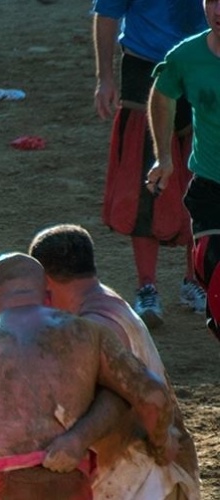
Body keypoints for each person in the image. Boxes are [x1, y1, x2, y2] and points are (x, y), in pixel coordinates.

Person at [0, 253, 176, 499]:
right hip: (65, 479)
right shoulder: (88, 333)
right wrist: (163, 444)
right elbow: (153, 397)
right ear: (47, 296)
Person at [29, 224, 200, 498]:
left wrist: (159, 441)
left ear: (44, 280)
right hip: (149, 481)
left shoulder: (93, 326)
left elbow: (129, 396)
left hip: (143, 483)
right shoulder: (108, 302)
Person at [93, 0, 207, 329]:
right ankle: (147, 287)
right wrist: (105, 77)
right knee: (143, 183)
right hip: (144, 69)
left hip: (200, 65)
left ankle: (195, 280)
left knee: (201, 179)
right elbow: (107, 14)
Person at [148, 0, 220, 343]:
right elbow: (162, 95)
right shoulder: (185, 57)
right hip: (210, 186)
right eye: (213, 1)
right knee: (213, 267)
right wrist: (163, 157)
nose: (219, 10)